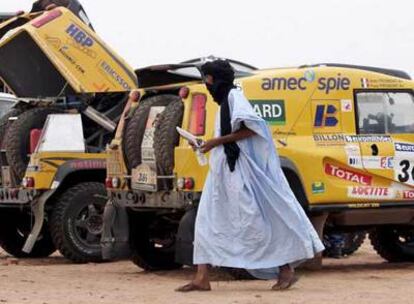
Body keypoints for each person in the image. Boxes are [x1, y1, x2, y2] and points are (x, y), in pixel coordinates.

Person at [176, 60, 324, 292]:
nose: (207, 84)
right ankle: (202, 277)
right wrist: (209, 144)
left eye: (208, 79)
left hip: (240, 172)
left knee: (255, 223)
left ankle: (286, 269)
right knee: (206, 222)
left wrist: (217, 141)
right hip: (221, 172)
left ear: (217, 79)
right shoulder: (225, 101)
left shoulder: (235, 97)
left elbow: (253, 129)